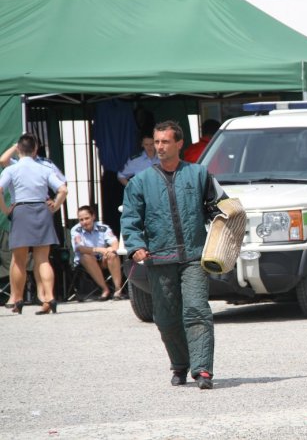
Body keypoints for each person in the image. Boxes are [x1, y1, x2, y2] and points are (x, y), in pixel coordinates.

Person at [121, 120, 227, 389]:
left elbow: (223, 207)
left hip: (194, 258)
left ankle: (203, 370)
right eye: (156, 142)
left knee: (196, 311)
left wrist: (224, 228)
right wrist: (135, 246)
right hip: (159, 258)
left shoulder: (200, 174)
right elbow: (130, 219)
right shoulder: (140, 182)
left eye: (165, 142)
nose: (159, 147)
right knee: (166, 319)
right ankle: (180, 365)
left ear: (179, 144)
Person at [0, 134, 67, 315]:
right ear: (36, 149)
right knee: (43, 259)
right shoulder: (44, 169)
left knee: (19, 261)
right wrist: (55, 204)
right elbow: (63, 189)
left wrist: (6, 210)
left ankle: (18, 298)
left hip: (21, 209)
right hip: (42, 209)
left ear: (19, 150)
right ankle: (50, 296)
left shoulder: (12, 169)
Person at [71, 205, 125, 300]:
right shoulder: (76, 230)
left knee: (112, 255)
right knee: (86, 256)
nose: (84, 222)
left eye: (87, 218)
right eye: (81, 219)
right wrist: (99, 249)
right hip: (85, 263)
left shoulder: (103, 228)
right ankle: (105, 289)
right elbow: (80, 248)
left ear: (93, 217)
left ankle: (118, 289)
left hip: (102, 261)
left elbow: (115, 243)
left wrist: (110, 249)